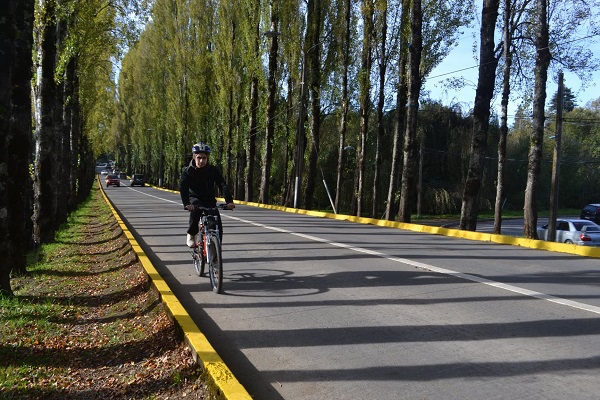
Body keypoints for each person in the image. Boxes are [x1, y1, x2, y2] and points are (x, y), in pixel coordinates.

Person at [180, 142, 235, 247]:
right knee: (195, 210)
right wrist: (187, 204)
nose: (201, 161)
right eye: (199, 158)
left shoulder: (212, 170)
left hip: (209, 199)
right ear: (194, 157)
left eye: (204, 158)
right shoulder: (187, 171)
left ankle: (216, 251)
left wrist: (229, 201)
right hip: (194, 198)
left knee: (217, 224)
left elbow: (222, 184)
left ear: (207, 158)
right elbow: (183, 189)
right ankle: (191, 234)